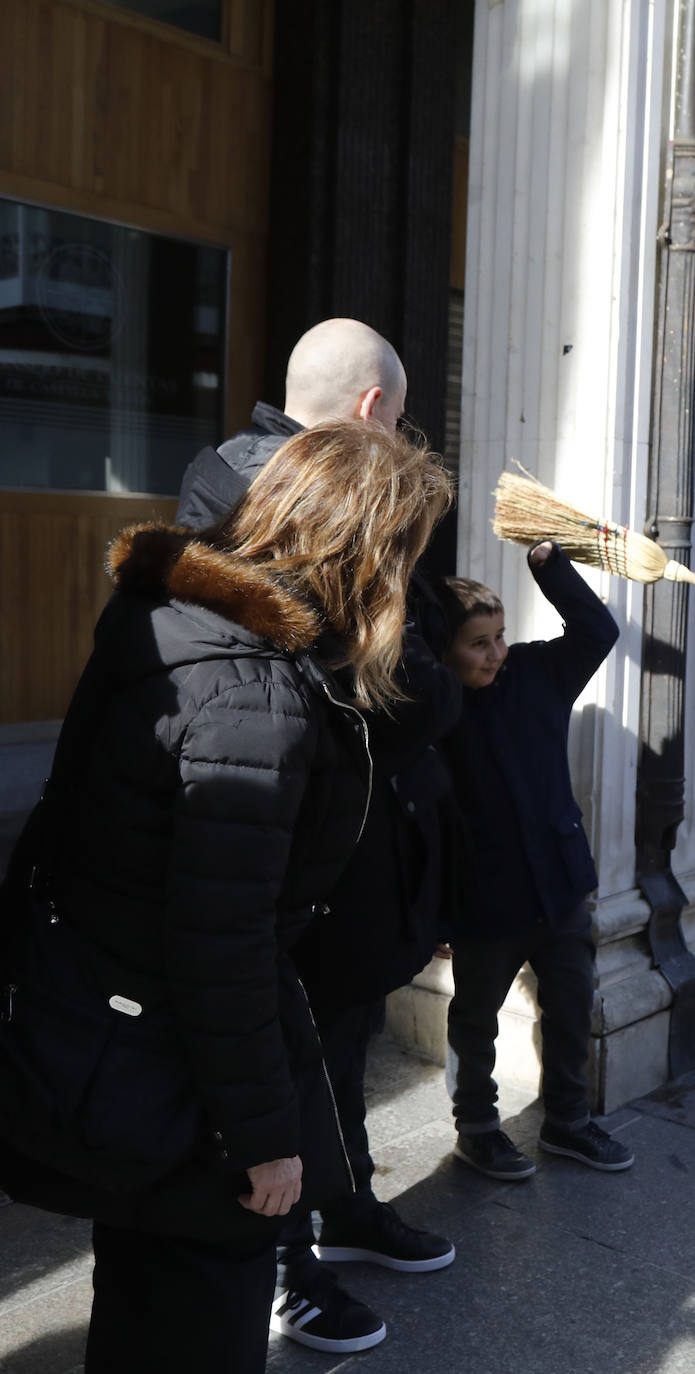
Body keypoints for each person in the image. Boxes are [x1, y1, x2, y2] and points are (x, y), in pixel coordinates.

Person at [0, 422, 450, 1373]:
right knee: (197, 1314)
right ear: (364, 553)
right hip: (174, 1074)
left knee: (138, 1295)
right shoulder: (254, 699)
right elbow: (221, 942)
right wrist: (263, 1142)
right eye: (406, 553)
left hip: (115, 1044)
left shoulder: (169, 615)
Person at [174, 317, 460, 1354]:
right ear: (375, 412)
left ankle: (344, 1212)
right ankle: (290, 1263)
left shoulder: (229, 483)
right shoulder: (300, 510)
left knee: (334, 1043)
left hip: (335, 835)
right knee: (289, 1051)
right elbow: (385, 684)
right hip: (294, 841)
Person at [439, 541, 633, 1180]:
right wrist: (434, 908)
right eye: (477, 643)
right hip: (484, 896)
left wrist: (550, 568)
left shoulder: (535, 672)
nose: (495, 652)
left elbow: (598, 629)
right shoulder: (435, 709)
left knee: (572, 1004)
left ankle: (568, 1122)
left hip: (560, 883)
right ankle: (478, 1127)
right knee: (475, 1018)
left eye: (498, 637)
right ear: (445, 648)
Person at [175, 317, 408, 530]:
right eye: (396, 418)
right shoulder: (340, 508)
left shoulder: (220, 460)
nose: (395, 434)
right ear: (370, 406)